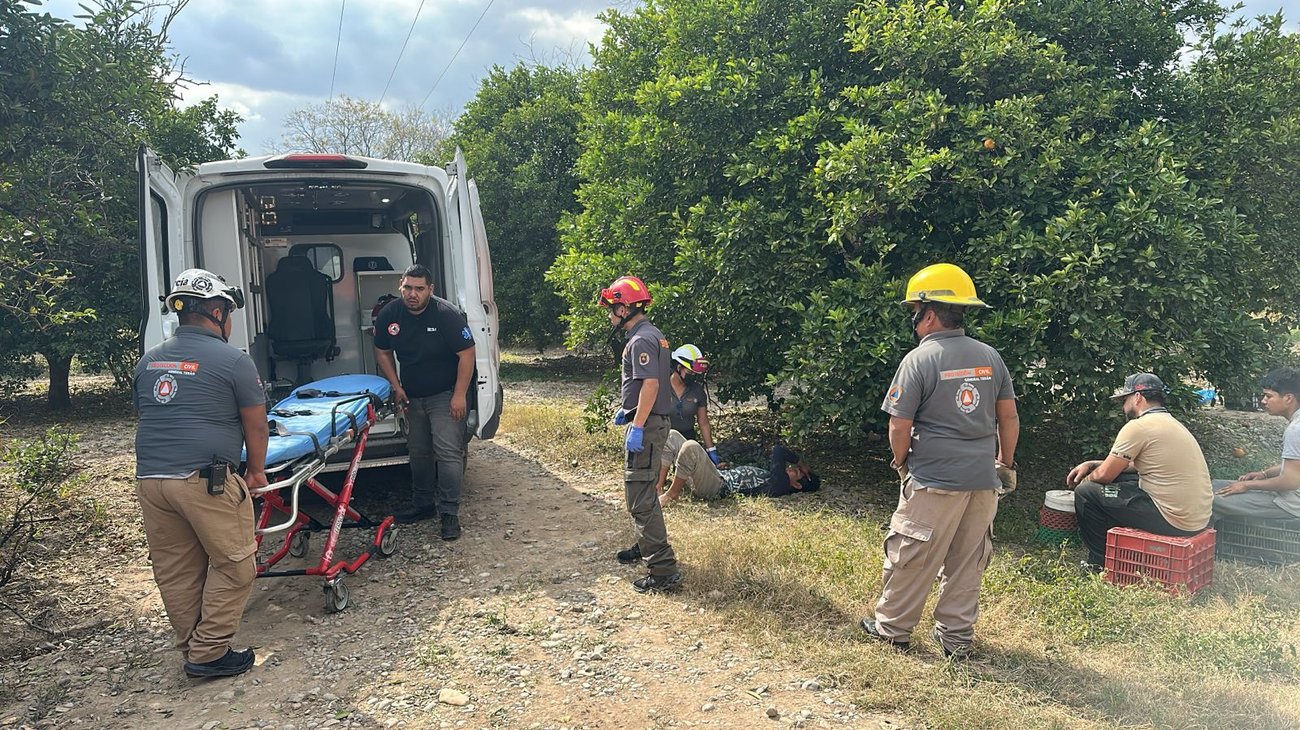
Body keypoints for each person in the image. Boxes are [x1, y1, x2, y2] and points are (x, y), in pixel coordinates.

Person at [859, 263, 1018, 659]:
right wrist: (1004, 463)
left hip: (934, 479)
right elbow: (1009, 417)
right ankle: (956, 639)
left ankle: (892, 629)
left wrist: (901, 463)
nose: (913, 320)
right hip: (983, 480)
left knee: (912, 554)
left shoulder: (919, 360)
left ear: (929, 313)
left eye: (915, 311)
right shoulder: (990, 357)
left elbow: (899, 424)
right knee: (968, 560)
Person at [133, 268, 268, 679]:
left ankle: (195, 646)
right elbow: (256, 424)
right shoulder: (234, 360)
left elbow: (151, 415)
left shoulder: (149, 360)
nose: (229, 320)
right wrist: (257, 473)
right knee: (235, 564)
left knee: (177, 568)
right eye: (227, 311)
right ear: (214, 311)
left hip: (151, 481)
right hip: (204, 480)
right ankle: (209, 653)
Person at [1064, 373, 1212, 571]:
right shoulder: (1171, 424)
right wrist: (1092, 463)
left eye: (1124, 400)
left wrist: (1086, 480)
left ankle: (1098, 563)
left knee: (1087, 492)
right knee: (1122, 479)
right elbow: (1134, 466)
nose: (1123, 407)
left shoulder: (1138, 426)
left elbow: (1105, 476)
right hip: (1196, 518)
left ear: (1138, 397)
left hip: (1173, 520)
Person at [373, 264, 476, 540]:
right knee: (418, 452)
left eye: (419, 289)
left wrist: (459, 395)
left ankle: (449, 513)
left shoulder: (446, 315)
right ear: (400, 286)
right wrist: (396, 386)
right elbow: (381, 350)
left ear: (430, 289)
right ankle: (422, 505)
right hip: (412, 396)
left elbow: (467, 354)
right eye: (408, 288)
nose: (412, 294)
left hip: (446, 393)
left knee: (447, 453)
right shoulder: (390, 314)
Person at [598, 275, 682, 593]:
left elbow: (651, 384)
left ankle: (662, 569)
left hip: (646, 427)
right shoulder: (652, 335)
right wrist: (629, 409)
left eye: (612, 308)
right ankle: (645, 544)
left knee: (640, 497)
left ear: (625, 308)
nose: (610, 315)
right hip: (649, 421)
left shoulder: (641, 340)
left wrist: (637, 424)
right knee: (645, 490)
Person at [1211, 367, 1300, 522]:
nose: (1263, 401)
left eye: (1268, 396)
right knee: (1215, 485)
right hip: (1291, 494)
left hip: (1292, 503)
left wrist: (1248, 486)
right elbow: (1295, 466)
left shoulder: (1295, 429)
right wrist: (1264, 474)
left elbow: (1290, 481)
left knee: (1209, 500)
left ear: (1288, 398)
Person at [657, 429, 820, 504]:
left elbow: (778, 450)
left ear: (797, 484)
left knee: (691, 447)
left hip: (716, 487)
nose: (790, 468)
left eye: (795, 472)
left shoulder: (780, 485)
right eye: (794, 467)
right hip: (717, 475)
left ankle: (672, 495)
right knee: (672, 436)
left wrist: (801, 463)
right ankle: (659, 487)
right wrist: (727, 468)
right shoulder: (772, 478)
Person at [667, 344, 720, 464]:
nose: (693, 376)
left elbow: (703, 422)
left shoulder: (697, 391)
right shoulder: (661, 386)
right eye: (691, 372)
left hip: (687, 438)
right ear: (679, 367)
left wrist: (711, 449)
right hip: (663, 437)